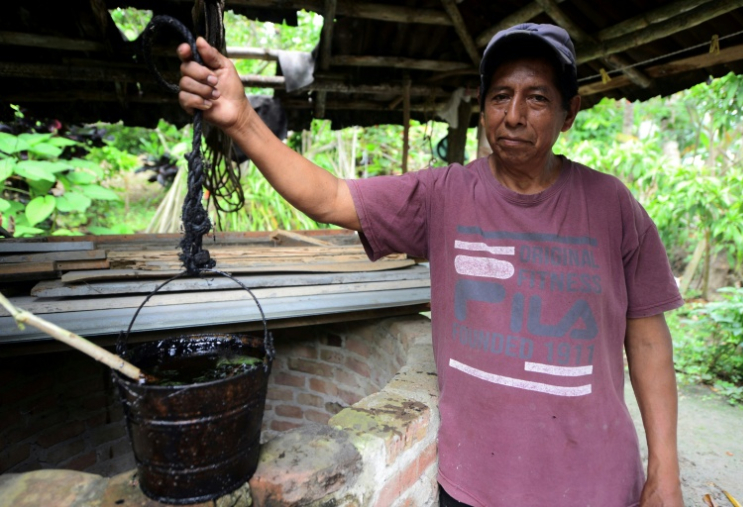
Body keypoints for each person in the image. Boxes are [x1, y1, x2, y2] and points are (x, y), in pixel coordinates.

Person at [178, 22, 685, 507]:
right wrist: (243, 119)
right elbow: (332, 197)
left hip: (595, 483)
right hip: (474, 486)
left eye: (537, 98)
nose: (513, 115)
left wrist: (665, 469)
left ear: (569, 111)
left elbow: (646, 339)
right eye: (500, 96)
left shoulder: (611, 205)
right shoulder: (444, 196)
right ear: (484, 106)